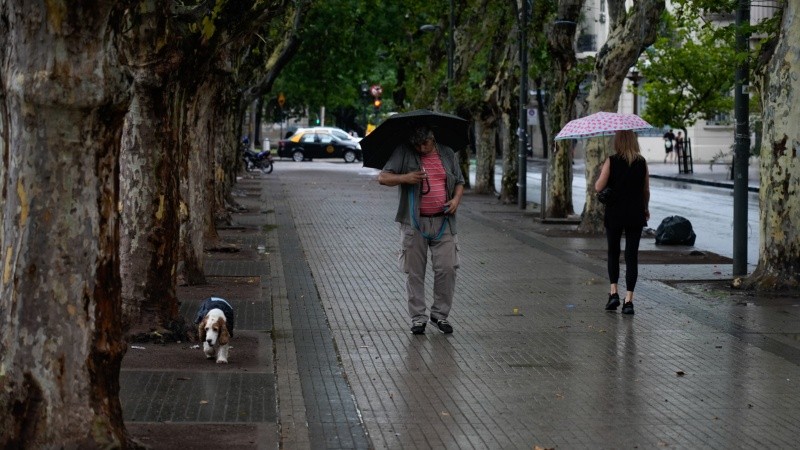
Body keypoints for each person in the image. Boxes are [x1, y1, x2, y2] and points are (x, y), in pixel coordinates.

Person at [377, 125, 465, 334]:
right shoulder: (404, 152)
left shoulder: (447, 153)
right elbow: (383, 177)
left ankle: (439, 315)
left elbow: (460, 182)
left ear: (432, 139)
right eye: (416, 144)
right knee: (414, 272)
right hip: (413, 223)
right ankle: (418, 318)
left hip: (444, 221)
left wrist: (456, 200)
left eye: (424, 143)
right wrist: (404, 178)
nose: (421, 148)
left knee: (447, 268)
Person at [594, 130, 650, 315]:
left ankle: (613, 294)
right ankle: (629, 301)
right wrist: (645, 208)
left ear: (617, 142)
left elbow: (598, 187)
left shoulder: (612, 160)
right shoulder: (642, 162)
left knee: (613, 252)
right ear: (634, 141)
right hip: (635, 213)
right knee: (631, 256)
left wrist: (603, 169)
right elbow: (645, 190)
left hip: (615, 213)